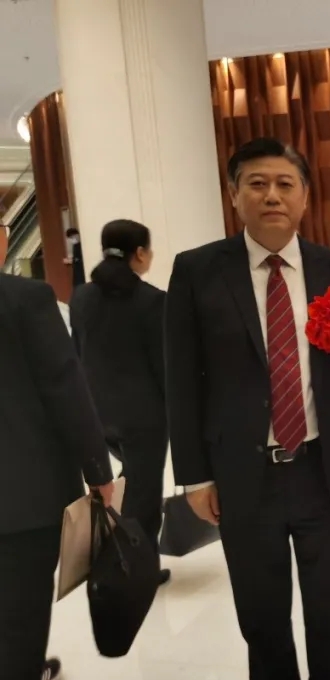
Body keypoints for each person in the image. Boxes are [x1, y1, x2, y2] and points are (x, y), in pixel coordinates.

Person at [165, 137, 330, 680]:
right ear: (234, 195)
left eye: (284, 183)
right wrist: (195, 474)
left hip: (322, 468)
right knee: (262, 608)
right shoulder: (198, 270)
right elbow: (181, 379)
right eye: (256, 183)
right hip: (242, 474)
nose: (271, 195)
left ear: (305, 196)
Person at [0, 224, 115, 680]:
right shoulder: (24, 299)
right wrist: (99, 471)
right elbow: (65, 388)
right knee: (16, 624)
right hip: (21, 499)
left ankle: (28, 677)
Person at [70, 219, 171, 586]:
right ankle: (139, 571)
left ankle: (120, 559)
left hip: (97, 411)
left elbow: (77, 351)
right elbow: (163, 365)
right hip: (144, 416)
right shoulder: (152, 301)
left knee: (125, 486)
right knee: (144, 495)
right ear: (140, 253)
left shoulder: (81, 297)